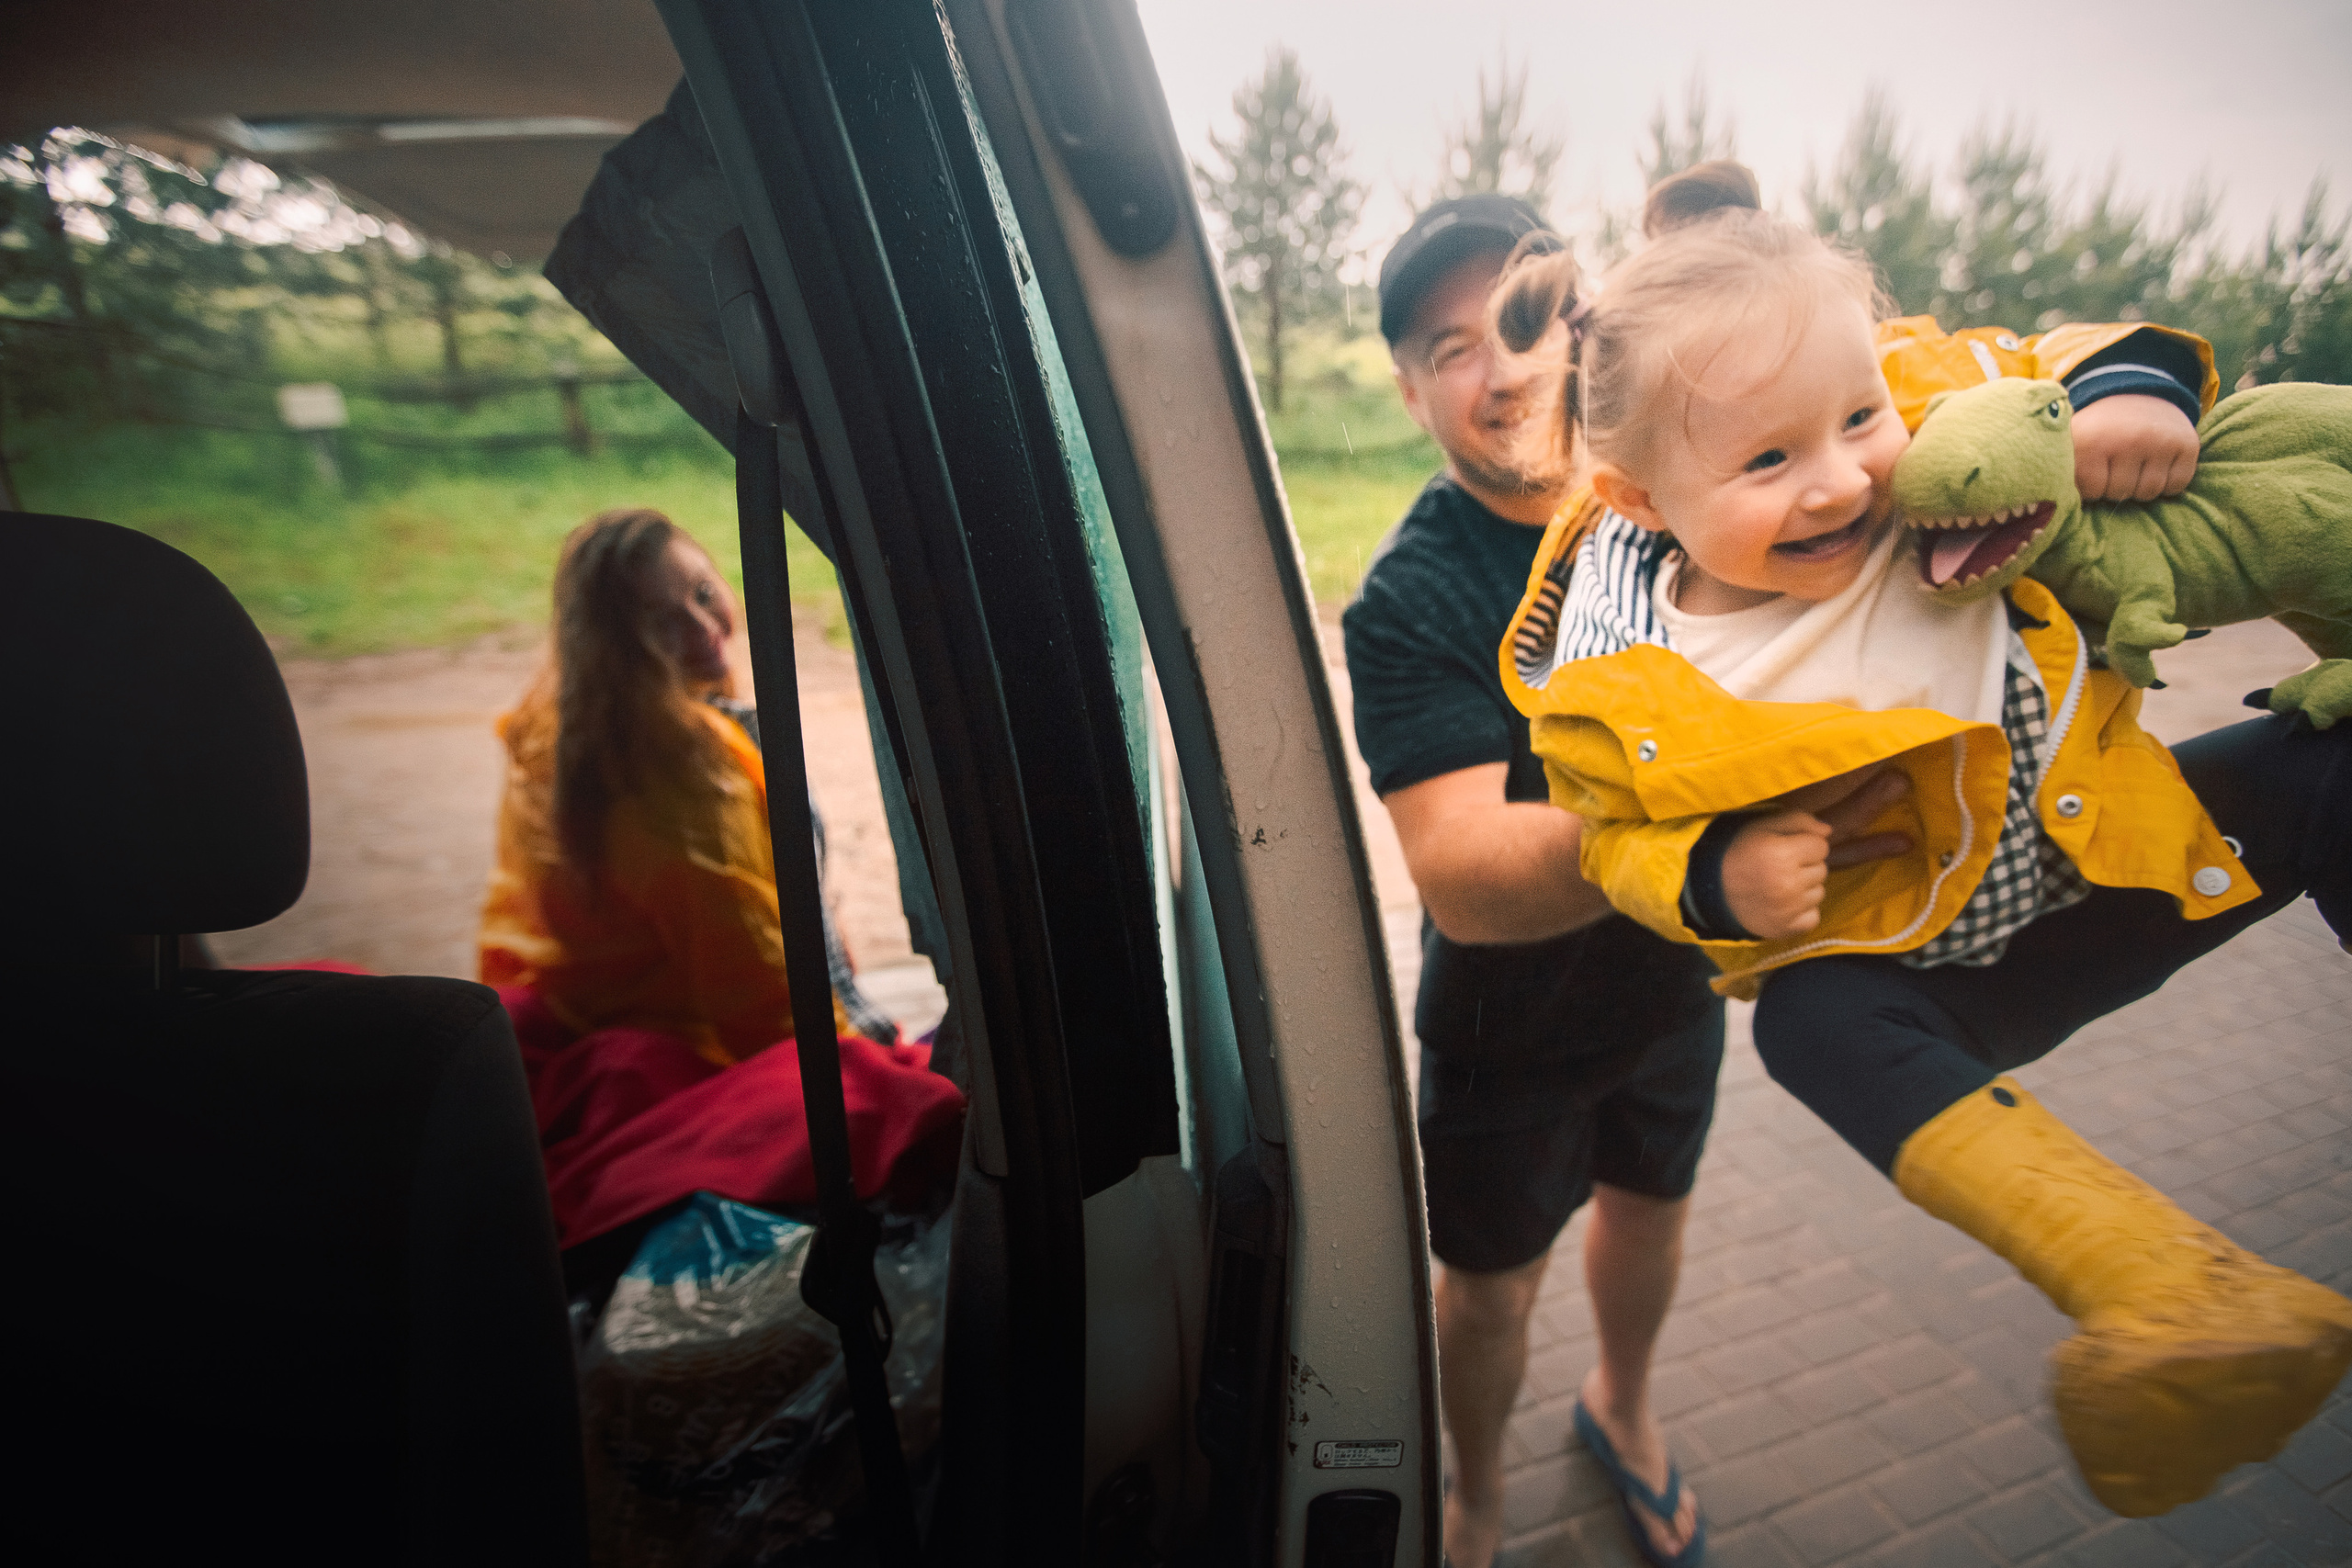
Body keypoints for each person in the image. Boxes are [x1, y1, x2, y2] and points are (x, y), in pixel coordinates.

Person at [1496, 162, 2352, 1519]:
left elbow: (2052, 354)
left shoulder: (1933, 422)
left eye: (1856, 418)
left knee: (2330, 761)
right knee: (1809, 1021)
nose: (1840, 479)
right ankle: (2168, 1289)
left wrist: (2132, 392)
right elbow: (1609, 839)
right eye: (1769, 460)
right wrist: (1715, 875)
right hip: (1941, 970)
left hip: (2120, 856)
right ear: (1643, 500)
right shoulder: (1624, 671)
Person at [1345, 194, 1779, 1568]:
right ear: (1412, 387)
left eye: (1530, 318)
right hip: (1503, 1032)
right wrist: (1696, 848)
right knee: (1486, 1290)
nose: (1509, 369)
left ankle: (1624, 1408)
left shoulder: (1674, 494)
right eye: (1451, 345)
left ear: (1589, 316)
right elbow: (1466, 876)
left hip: (1672, 986)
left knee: (1653, 1218)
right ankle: (1474, 1492)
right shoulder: (1409, 598)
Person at [480, 506, 890, 1062]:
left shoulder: (558, 730)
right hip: (705, 1056)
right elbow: (751, 974)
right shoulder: (680, 770)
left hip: (601, 1028)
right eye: (661, 623)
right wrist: (853, 1064)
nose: (702, 628)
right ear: (616, 647)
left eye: (702, 593)